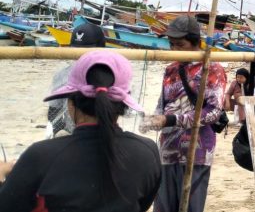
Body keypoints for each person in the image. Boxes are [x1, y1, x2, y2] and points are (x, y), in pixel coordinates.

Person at [0, 50, 161, 211]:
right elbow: (144, 202)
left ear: (70, 104)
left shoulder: (39, 156)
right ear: (124, 106)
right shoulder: (148, 152)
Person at [140, 15, 226, 212]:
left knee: (190, 208)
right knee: (163, 207)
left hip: (197, 151)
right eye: (171, 45)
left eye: (180, 44)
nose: (174, 50)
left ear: (195, 42)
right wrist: (152, 119)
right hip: (167, 149)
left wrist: (170, 119)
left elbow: (213, 112)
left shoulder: (212, 69)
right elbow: (162, 105)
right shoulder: (171, 69)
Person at [46, 22, 107, 138]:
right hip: (74, 135)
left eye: (85, 53)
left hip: (97, 136)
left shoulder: (63, 75)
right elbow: (53, 113)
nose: (81, 57)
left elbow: (52, 113)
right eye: (76, 53)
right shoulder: (62, 75)